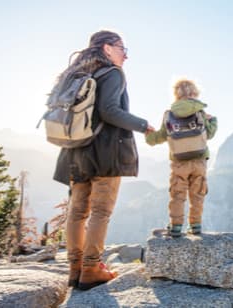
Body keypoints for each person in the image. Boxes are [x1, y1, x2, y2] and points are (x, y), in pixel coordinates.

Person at [52, 30, 154, 290]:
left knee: (76, 212)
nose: (126, 55)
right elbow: (109, 111)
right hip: (105, 151)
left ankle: (75, 270)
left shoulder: (77, 74)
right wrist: (143, 125)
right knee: (100, 211)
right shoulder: (112, 73)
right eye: (123, 48)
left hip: (75, 150)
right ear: (108, 48)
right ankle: (92, 268)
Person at [145, 78, 217, 237]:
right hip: (199, 161)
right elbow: (210, 134)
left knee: (177, 195)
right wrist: (214, 121)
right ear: (194, 93)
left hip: (179, 163)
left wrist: (148, 135)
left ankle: (176, 226)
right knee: (197, 194)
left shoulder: (169, 114)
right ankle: (196, 225)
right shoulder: (200, 112)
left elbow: (159, 137)